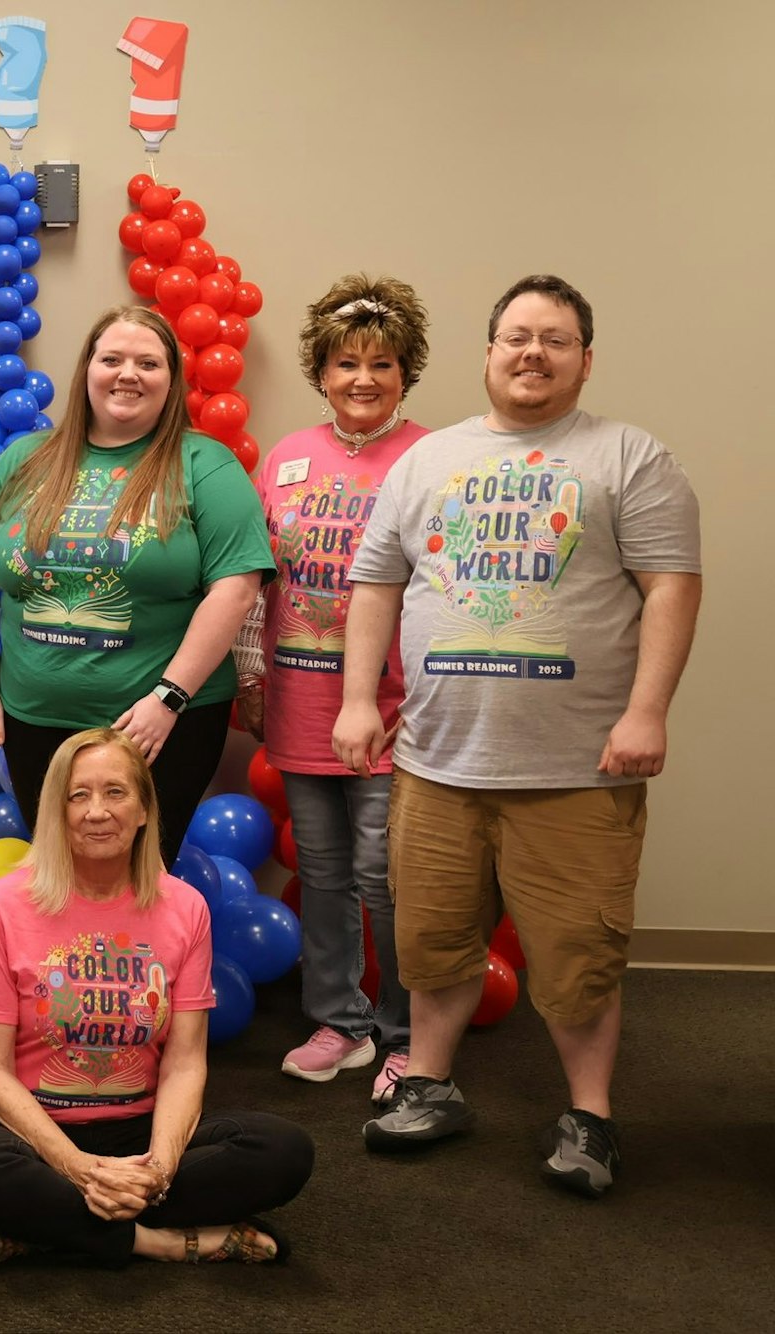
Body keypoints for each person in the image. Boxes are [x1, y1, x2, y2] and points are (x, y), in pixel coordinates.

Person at [337, 275, 701, 1196]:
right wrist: (355, 701)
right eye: (517, 336)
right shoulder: (427, 462)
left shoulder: (630, 458)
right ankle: (428, 1083)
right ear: (489, 351)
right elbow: (377, 586)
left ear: (586, 359)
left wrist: (647, 711)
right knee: (431, 944)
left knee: (579, 958)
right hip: (434, 764)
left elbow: (672, 586)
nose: (534, 352)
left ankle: (591, 1117)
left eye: (557, 339)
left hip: (578, 770)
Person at [0, 728, 314, 1266]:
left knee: (283, 1150)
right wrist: (75, 1167)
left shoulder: (185, 909)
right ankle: (157, 1241)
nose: (97, 811)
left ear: (142, 809)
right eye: (79, 795)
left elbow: (185, 1064)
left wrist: (158, 1169)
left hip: (138, 1130)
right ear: (57, 812)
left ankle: (54, 1227)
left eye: (115, 792)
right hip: (33, 1135)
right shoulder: (2, 906)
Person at [0, 305, 272, 860]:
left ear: (171, 381)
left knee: (141, 883)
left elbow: (236, 588)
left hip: (161, 727)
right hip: (35, 720)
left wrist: (167, 700)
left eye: (149, 362)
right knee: (57, 877)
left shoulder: (206, 466)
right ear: (87, 371)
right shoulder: (26, 460)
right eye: (112, 359)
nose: (128, 374)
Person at [237, 276, 431, 1100]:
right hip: (299, 696)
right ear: (321, 369)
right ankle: (339, 1021)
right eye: (346, 362)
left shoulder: (431, 457)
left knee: (387, 873)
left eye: (381, 364)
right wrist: (250, 669)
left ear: (404, 372)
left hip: (394, 710)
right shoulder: (285, 456)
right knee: (321, 868)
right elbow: (255, 578)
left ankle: (406, 1032)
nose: (362, 378)